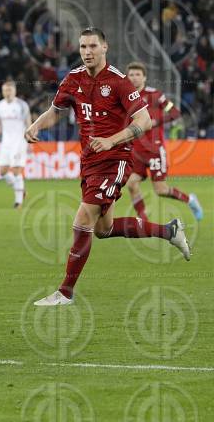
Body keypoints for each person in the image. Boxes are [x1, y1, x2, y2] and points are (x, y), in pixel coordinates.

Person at [25, 27, 191, 306]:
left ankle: (65, 292)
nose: (87, 52)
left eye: (92, 46)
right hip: (89, 162)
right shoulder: (73, 79)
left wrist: (112, 140)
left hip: (115, 161)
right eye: (83, 47)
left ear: (105, 47)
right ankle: (169, 231)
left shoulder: (119, 81)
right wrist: (36, 124)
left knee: (82, 221)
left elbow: (144, 121)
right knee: (103, 229)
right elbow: (56, 111)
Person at [124, 62, 203, 221]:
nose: (134, 78)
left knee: (160, 190)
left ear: (144, 77)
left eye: (138, 74)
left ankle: (190, 200)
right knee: (131, 184)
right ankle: (143, 220)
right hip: (136, 151)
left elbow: (174, 112)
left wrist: (155, 121)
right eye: (131, 75)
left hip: (154, 150)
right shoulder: (125, 99)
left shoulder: (156, 95)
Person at [0, 81, 31, 208]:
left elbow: (28, 123)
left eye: (9, 90)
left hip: (20, 142)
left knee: (15, 171)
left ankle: (18, 201)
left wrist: (30, 140)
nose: (7, 93)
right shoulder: (0, 105)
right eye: (5, 90)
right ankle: (21, 190)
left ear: (14, 91)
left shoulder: (22, 105)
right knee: (2, 171)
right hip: (6, 142)